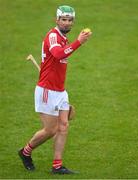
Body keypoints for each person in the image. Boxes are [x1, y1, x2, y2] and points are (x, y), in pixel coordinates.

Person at [18, 5, 92, 174]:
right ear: (57, 20)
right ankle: (25, 152)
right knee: (50, 130)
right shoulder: (53, 36)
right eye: (63, 20)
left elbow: (59, 57)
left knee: (64, 126)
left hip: (60, 90)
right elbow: (59, 54)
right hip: (46, 90)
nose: (66, 23)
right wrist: (79, 42)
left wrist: (74, 43)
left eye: (70, 20)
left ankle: (57, 166)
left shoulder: (63, 38)